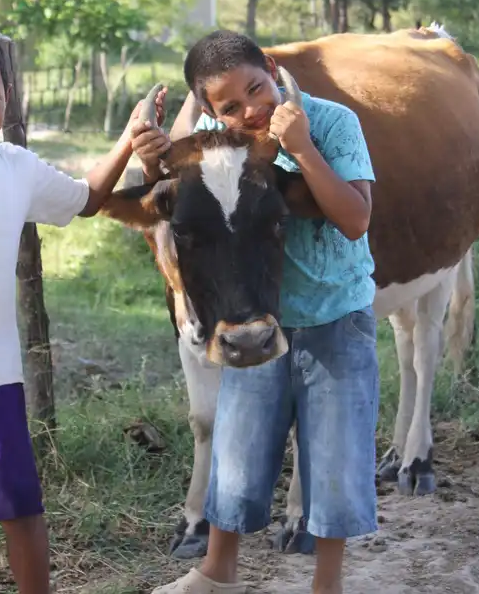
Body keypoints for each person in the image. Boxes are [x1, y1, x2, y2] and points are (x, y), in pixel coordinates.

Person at [0, 26, 163, 594]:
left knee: (22, 507)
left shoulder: (16, 168)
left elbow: (86, 199)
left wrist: (127, 138)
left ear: (9, 96)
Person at [130, 29, 379, 594]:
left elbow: (356, 219)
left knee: (335, 459)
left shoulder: (334, 122)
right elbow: (187, 210)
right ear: (212, 111)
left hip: (336, 318)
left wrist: (304, 149)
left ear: (272, 69)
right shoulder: (219, 144)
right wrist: (154, 168)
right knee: (236, 450)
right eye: (230, 107)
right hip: (253, 317)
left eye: (257, 89)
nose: (251, 110)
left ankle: (327, 583)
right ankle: (217, 570)